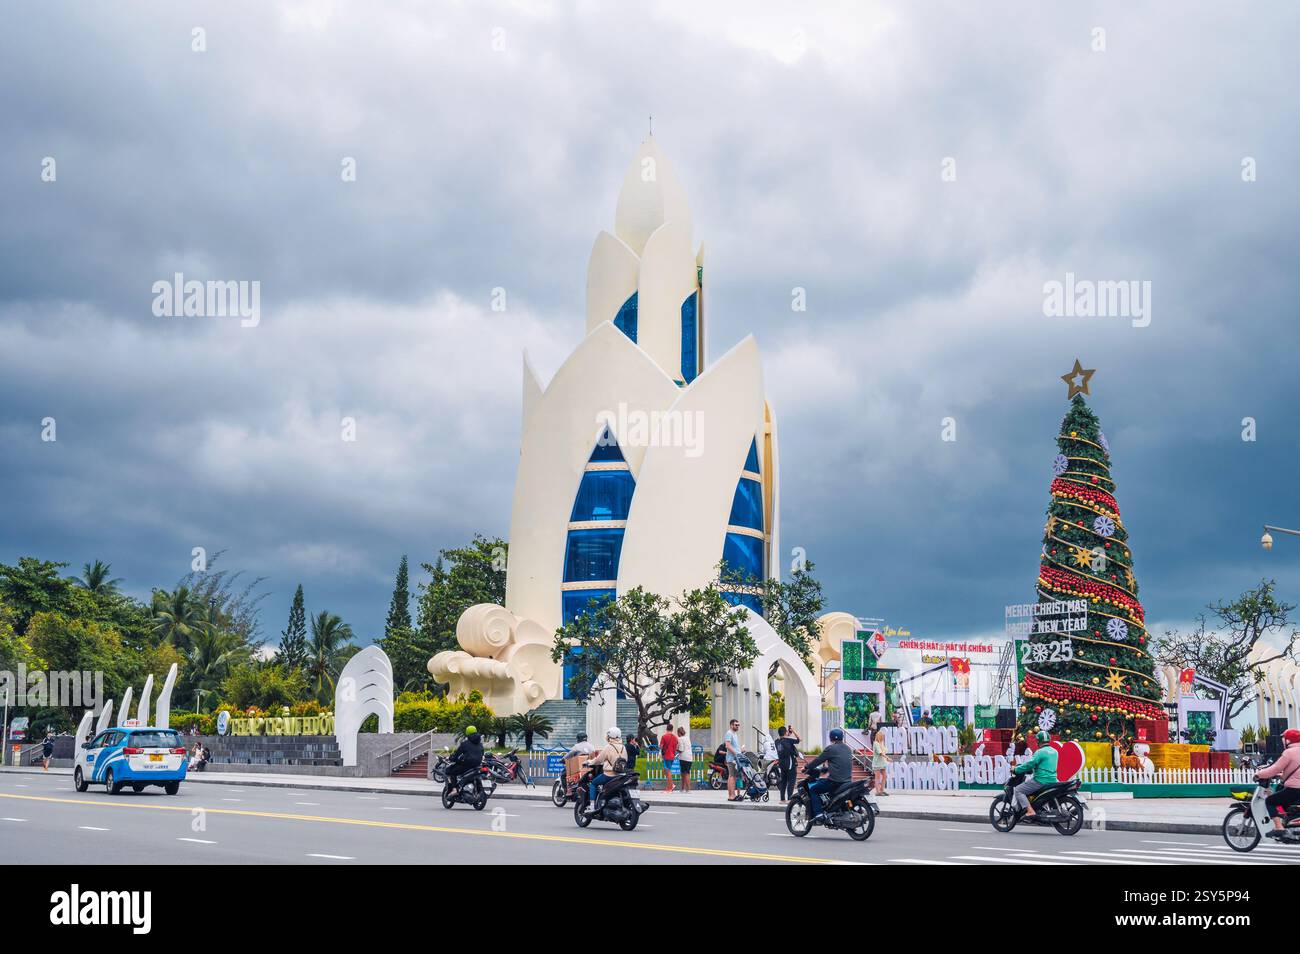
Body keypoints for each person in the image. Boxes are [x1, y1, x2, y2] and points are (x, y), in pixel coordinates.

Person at [1256, 727, 1300, 838]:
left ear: (1288, 741)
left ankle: (1279, 827)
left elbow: (1275, 768)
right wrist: (1282, 775)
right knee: (1283, 800)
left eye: (1284, 739)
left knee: (1271, 801)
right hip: (1295, 787)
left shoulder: (1288, 753)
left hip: (1294, 789)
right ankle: (1290, 827)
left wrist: (1259, 774)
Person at [803, 727, 852, 819]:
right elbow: (838, 763)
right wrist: (826, 769)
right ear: (842, 737)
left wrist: (806, 767)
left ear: (831, 738)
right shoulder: (848, 748)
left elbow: (818, 760)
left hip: (835, 781)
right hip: (847, 781)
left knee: (813, 789)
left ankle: (819, 814)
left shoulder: (831, 748)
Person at [1011, 730, 1058, 819]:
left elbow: (1030, 764)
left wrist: (1016, 770)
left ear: (1038, 741)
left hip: (1040, 781)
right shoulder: (1055, 751)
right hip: (1053, 780)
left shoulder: (1040, 752)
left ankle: (1030, 810)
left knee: (1018, 790)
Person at [583, 727, 627, 814]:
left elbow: (598, 760)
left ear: (610, 736)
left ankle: (592, 806)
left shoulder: (608, 747)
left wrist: (589, 762)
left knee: (593, 783)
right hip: (620, 776)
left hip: (609, 775)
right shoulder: (623, 747)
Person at [444, 726, 485, 797]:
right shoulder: (480, 744)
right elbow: (482, 753)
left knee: (452, 772)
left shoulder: (465, 744)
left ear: (467, 733)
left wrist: (452, 758)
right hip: (477, 765)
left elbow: (457, 754)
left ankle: (455, 789)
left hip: (466, 765)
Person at [774, 725, 801, 801]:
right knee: (791, 782)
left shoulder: (777, 741)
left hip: (782, 764)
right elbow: (799, 739)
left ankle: (782, 799)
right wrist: (793, 730)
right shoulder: (788, 740)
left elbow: (784, 739)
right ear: (785, 732)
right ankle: (789, 799)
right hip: (790, 764)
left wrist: (787, 733)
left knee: (783, 782)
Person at [723, 719, 744, 801]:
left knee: (733, 777)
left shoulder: (734, 734)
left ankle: (733, 794)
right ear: (731, 725)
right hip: (732, 759)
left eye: (738, 725)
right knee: (732, 776)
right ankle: (731, 795)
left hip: (735, 758)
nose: (737, 726)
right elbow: (727, 746)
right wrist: (736, 753)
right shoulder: (729, 733)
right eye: (736, 725)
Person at [659, 725, 679, 793]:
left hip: (666, 756)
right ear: (672, 729)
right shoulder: (675, 737)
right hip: (672, 756)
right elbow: (676, 747)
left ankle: (669, 788)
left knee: (668, 771)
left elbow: (661, 746)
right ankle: (671, 785)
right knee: (666, 770)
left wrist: (660, 753)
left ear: (666, 729)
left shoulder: (664, 736)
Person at [871, 729, 889, 796]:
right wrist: (887, 758)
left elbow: (884, 751)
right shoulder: (875, 743)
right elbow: (880, 753)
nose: (883, 738)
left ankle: (882, 790)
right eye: (882, 737)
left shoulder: (881, 743)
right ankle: (878, 791)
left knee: (885, 776)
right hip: (877, 763)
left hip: (882, 762)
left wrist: (886, 758)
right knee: (877, 777)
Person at [676, 725, 693, 792]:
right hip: (689, 757)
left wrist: (676, 749)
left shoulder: (680, 739)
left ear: (679, 733)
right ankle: (684, 788)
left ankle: (687, 789)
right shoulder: (687, 738)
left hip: (683, 758)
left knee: (684, 773)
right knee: (686, 773)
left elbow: (681, 749)